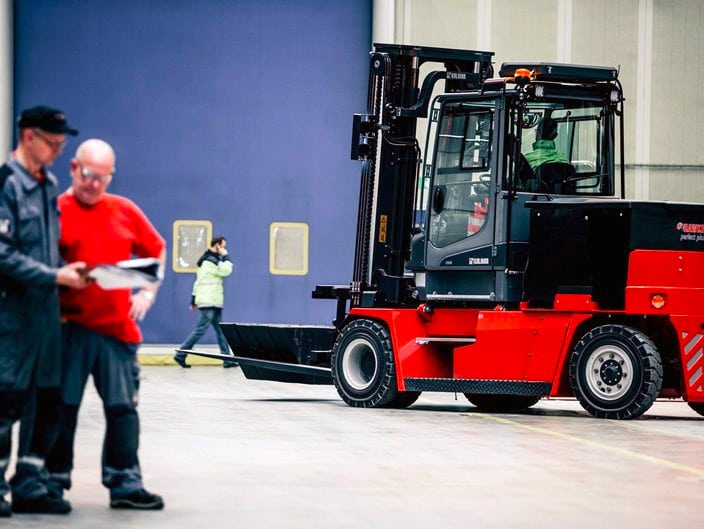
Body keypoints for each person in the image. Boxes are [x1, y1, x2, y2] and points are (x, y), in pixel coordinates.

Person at [44, 138, 166, 510]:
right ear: (73, 169)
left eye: (102, 176)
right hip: (68, 330)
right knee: (61, 409)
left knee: (122, 409)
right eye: (87, 174)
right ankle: (51, 481)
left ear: (111, 176)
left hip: (116, 333)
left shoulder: (124, 210)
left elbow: (156, 250)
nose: (94, 183)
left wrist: (146, 293)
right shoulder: (54, 211)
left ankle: (125, 483)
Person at [0, 106, 88, 516]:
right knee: (7, 399)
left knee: (47, 400)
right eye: (52, 144)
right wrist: (55, 277)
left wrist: (72, 273)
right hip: (13, 317)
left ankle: (29, 484)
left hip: (48, 316)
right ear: (29, 136)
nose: (57, 152)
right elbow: (2, 253)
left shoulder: (48, 185)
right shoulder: (7, 185)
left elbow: (49, 249)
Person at [174, 236, 236, 368]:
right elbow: (227, 270)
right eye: (223, 246)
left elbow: (197, 282)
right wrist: (226, 256)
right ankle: (180, 354)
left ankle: (227, 359)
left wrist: (193, 300)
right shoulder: (211, 261)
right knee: (200, 330)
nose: (224, 249)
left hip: (210, 300)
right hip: (210, 300)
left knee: (220, 330)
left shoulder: (204, 260)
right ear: (217, 246)